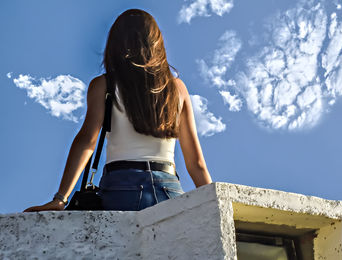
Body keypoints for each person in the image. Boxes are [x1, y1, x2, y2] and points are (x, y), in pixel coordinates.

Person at [23, 9, 212, 212]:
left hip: (120, 187)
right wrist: (215, 205)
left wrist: (60, 199)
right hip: (169, 189)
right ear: (156, 42)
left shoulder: (103, 85)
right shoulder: (177, 88)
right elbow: (196, 163)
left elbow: (87, 141)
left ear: (116, 43)